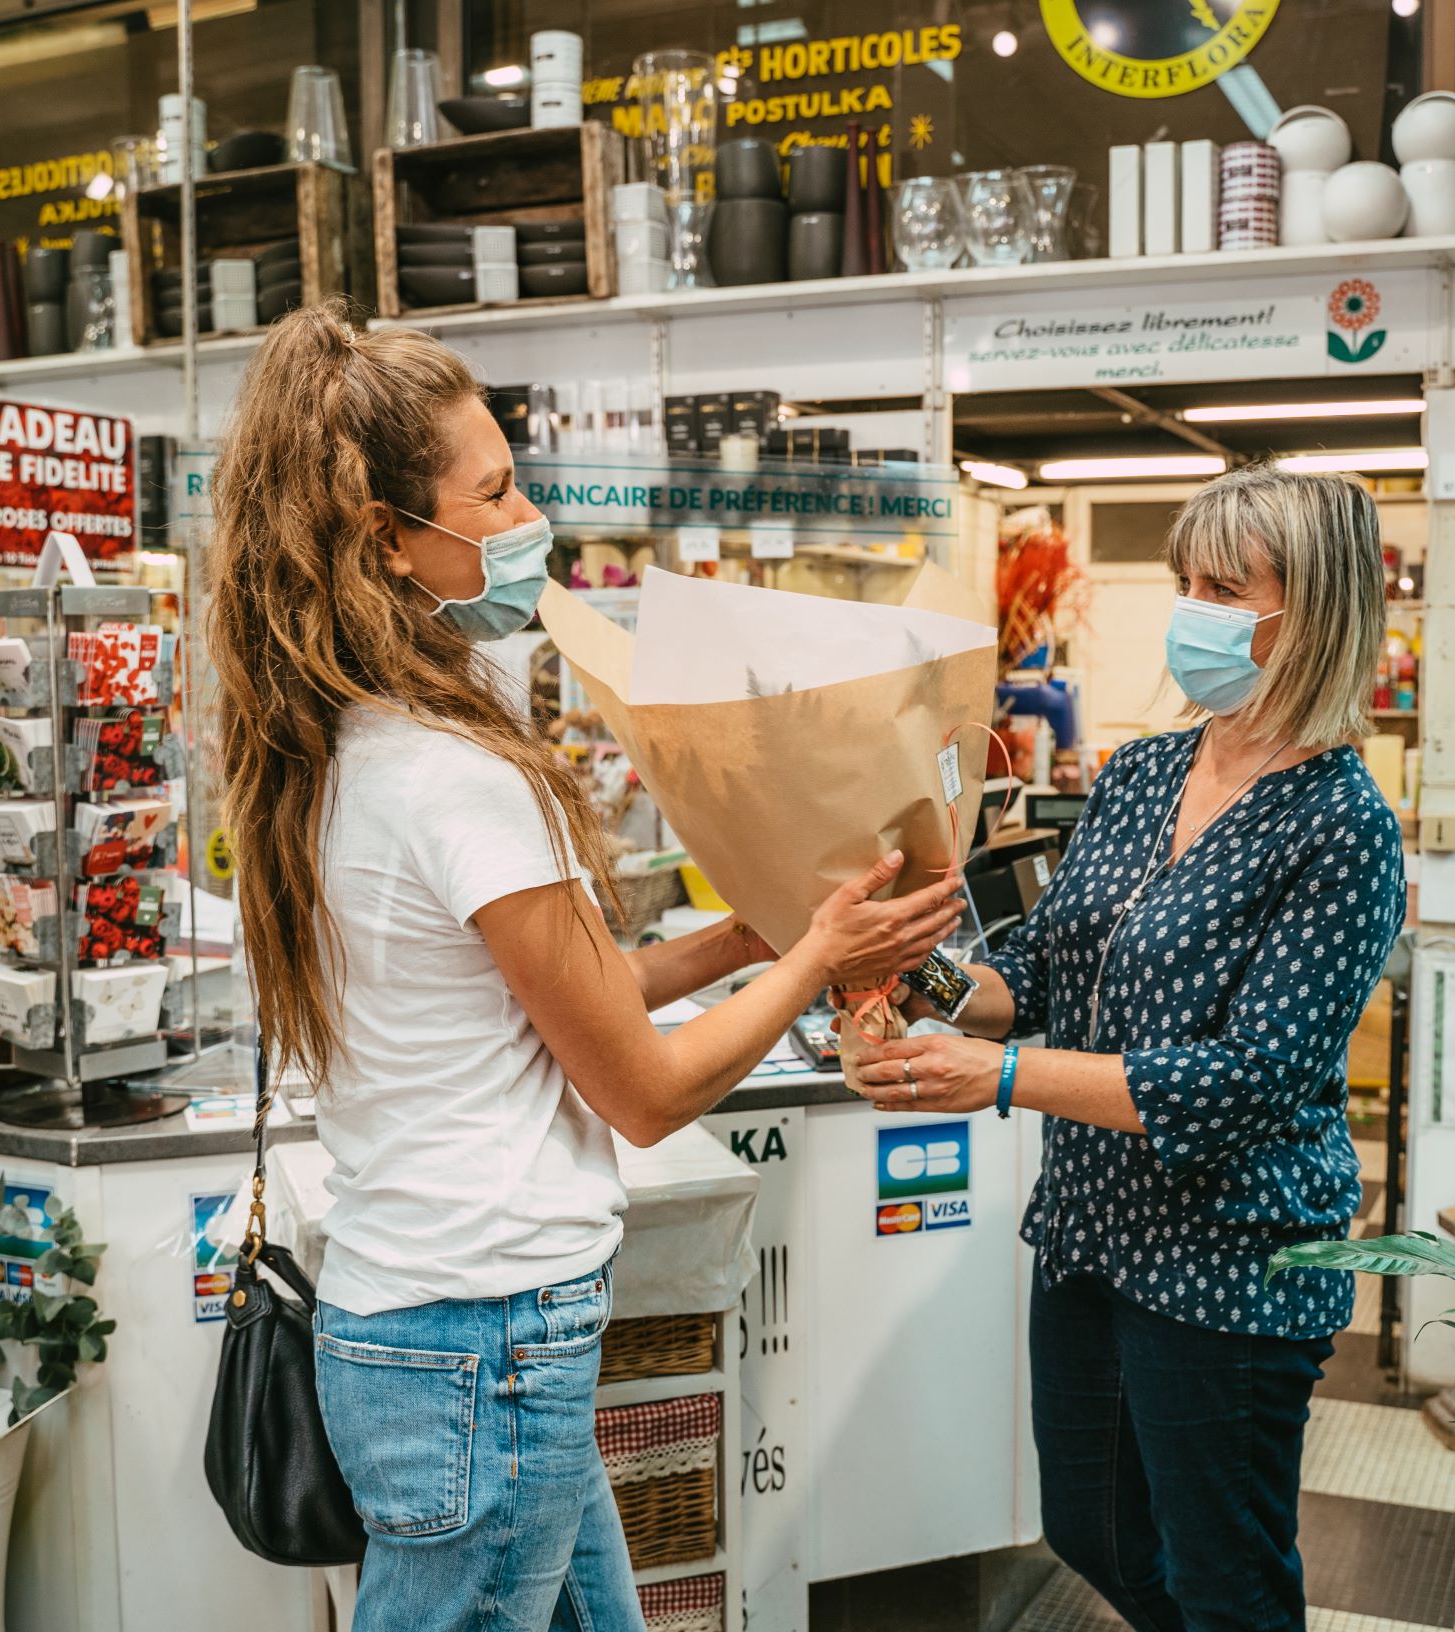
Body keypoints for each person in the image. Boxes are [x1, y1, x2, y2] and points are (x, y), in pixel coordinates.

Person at [207, 306, 965, 1632]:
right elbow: (646, 1090)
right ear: (389, 536)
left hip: (441, 1326)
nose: (527, 514)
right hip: (483, 1344)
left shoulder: (340, 754)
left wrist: (750, 934)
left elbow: (552, 1001)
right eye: (492, 490)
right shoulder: (457, 779)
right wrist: (822, 958)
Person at [846, 465, 1405, 1632]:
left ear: (1314, 610)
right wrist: (913, 970)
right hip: (1093, 1231)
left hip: (1230, 1262)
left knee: (1227, 1583)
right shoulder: (1144, 772)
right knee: (1089, 1530)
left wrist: (997, 1078)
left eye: (1223, 586)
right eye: (1184, 582)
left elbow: (1247, 1082)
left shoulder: (1342, 827)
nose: (1190, 609)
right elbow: (1042, 968)